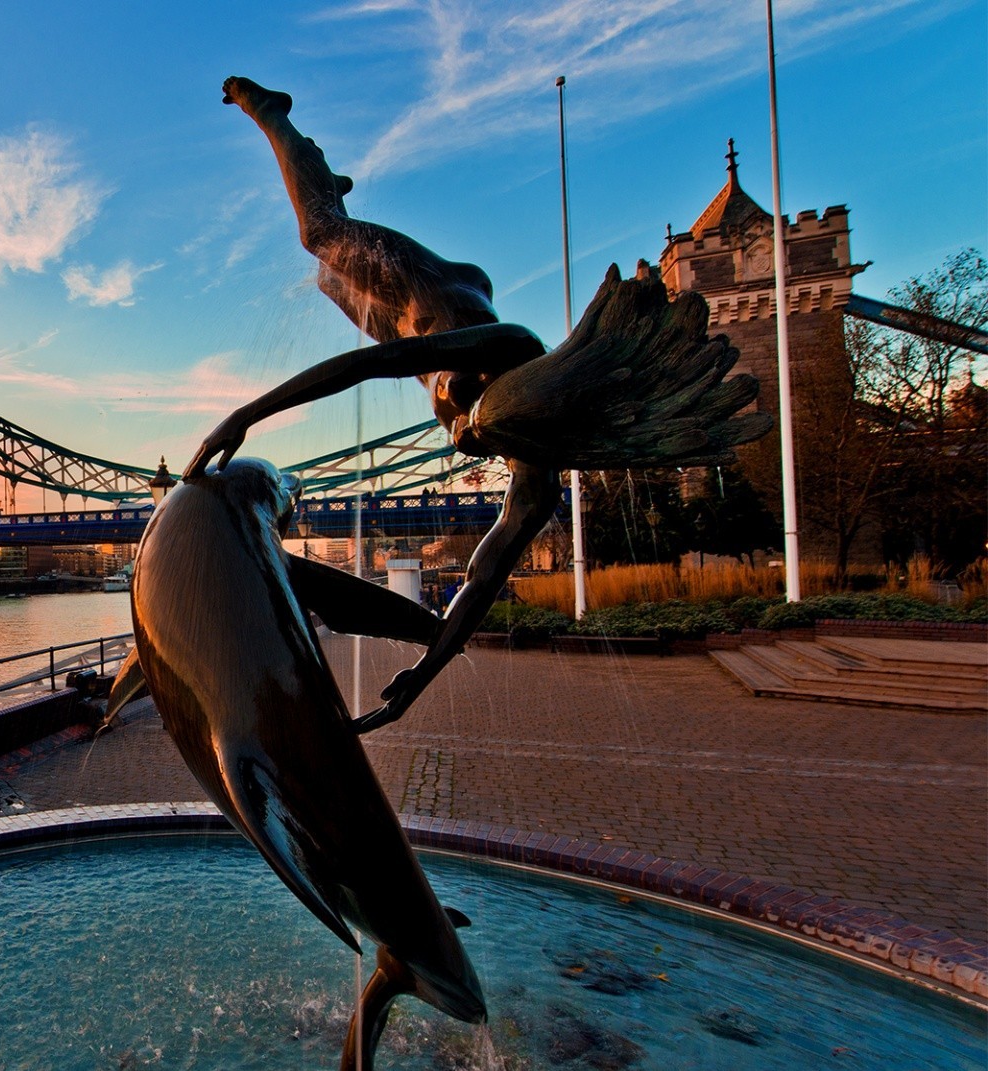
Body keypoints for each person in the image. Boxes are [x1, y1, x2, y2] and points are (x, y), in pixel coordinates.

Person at [196, 77, 766, 731]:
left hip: (411, 334)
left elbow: (483, 576)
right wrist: (246, 415)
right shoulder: (506, 341)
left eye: (476, 439)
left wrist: (422, 676)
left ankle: (322, 172)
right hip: (432, 298)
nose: (460, 430)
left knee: (330, 282)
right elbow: (372, 365)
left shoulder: (537, 468)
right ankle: (274, 111)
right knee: (323, 235)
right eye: (468, 404)